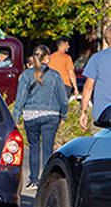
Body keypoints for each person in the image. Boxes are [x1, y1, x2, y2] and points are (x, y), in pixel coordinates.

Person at [13, 45, 67, 190]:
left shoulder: (26, 75)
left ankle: (34, 180)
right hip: (51, 115)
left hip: (31, 115)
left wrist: (16, 118)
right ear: (46, 57)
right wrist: (64, 113)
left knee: (34, 148)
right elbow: (62, 98)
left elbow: (20, 99)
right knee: (48, 149)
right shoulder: (55, 75)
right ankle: (47, 179)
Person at [79, 30, 111, 130]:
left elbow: (88, 87)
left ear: (106, 40)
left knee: (100, 144)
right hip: (101, 114)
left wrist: (84, 111)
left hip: (101, 114)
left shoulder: (97, 58)